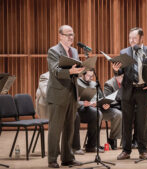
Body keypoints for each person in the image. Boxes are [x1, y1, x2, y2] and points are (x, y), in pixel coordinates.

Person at [112, 27, 147, 160]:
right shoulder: (124, 52)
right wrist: (116, 70)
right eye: (130, 38)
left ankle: (143, 151)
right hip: (128, 90)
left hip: (143, 90)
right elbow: (120, 73)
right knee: (126, 122)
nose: (131, 41)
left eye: (134, 38)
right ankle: (126, 150)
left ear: (141, 38)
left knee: (142, 122)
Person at [47, 25, 84, 168]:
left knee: (70, 127)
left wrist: (80, 70)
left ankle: (68, 158)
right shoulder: (53, 51)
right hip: (58, 94)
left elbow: (74, 71)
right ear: (60, 36)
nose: (71, 37)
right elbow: (55, 70)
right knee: (55, 129)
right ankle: (52, 159)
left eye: (72, 34)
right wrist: (70, 71)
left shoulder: (74, 51)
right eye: (67, 34)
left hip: (71, 93)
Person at [73, 70, 122, 153]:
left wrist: (104, 103)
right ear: (83, 74)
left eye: (92, 76)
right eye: (88, 75)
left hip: (99, 107)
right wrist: (83, 103)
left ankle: (112, 140)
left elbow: (101, 97)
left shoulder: (95, 84)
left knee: (118, 114)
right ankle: (92, 144)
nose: (90, 78)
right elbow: (73, 101)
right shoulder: (76, 83)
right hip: (83, 110)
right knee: (96, 113)